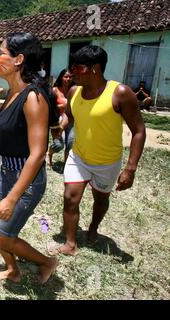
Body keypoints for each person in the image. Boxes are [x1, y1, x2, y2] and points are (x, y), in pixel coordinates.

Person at [49, 45, 146, 256]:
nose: (72, 72)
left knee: (101, 199)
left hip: (107, 162)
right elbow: (71, 116)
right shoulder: (74, 91)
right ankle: (71, 243)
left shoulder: (120, 93)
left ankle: (93, 228)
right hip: (79, 157)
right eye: (72, 67)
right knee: (70, 197)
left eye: (77, 67)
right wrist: (61, 126)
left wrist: (130, 168)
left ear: (95, 68)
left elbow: (138, 131)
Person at [0, 32, 58, 284]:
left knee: (5, 236)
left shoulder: (33, 97)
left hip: (26, 180)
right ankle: (13, 270)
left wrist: (12, 197)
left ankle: (47, 262)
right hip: (6, 171)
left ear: (18, 60)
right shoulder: (11, 93)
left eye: (2, 52)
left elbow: (37, 154)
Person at [46, 69, 74, 167]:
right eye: (66, 76)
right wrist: (62, 106)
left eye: (70, 77)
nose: (68, 79)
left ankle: (66, 166)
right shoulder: (55, 90)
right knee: (59, 145)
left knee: (70, 143)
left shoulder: (74, 90)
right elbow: (50, 107)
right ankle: (50, 153)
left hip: (71, 121)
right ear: (61, 77)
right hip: (58, 122)